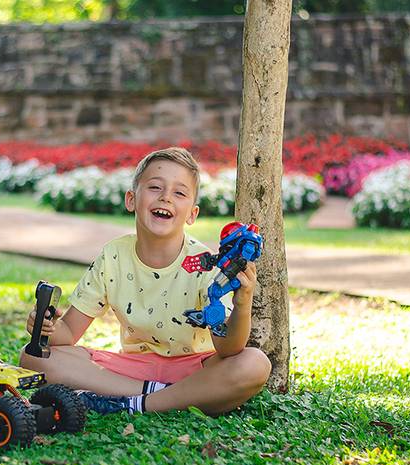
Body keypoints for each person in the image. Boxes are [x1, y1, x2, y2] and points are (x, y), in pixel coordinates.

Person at [19, 147, 271, 416]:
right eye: (155, 187)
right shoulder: (113, 256)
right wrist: (46, 328)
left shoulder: (205, 264)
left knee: (254, 363)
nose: (166, 198)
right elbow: (68, 332)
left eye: (179, 193)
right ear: (131, 199)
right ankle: (157, 395)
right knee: (33, 354)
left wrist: (243, 305)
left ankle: (138, 403)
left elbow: (229, 348)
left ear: (192, 214)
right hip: (133, 367)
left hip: (195, 368)